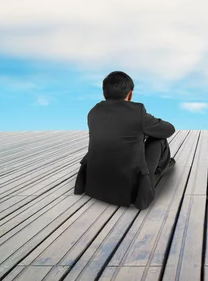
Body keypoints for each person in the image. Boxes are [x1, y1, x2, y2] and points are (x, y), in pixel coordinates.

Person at [73, 71, 176, 210]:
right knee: (158, 139)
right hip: (127, 186)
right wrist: (147, 127)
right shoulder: (137, 111)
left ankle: (162, 165)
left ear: (104, 94)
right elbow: (168, 129)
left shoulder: (93, 111)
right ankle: (161, 168)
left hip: (95, 183)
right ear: (130, 94)